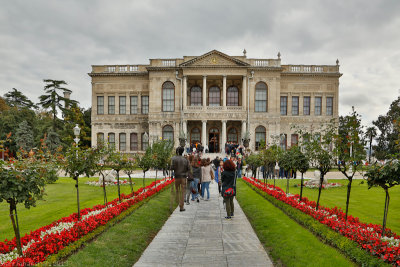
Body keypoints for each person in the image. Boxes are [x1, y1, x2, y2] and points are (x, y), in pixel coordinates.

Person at [171, 147, 190, 212]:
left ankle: (177, 202)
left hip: (177, 176)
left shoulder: (173, 159)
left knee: (177, 191)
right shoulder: (185, 159)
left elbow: (171, 168)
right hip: (183, 177)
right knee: (182, 192)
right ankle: (181, 206)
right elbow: (188, 168)